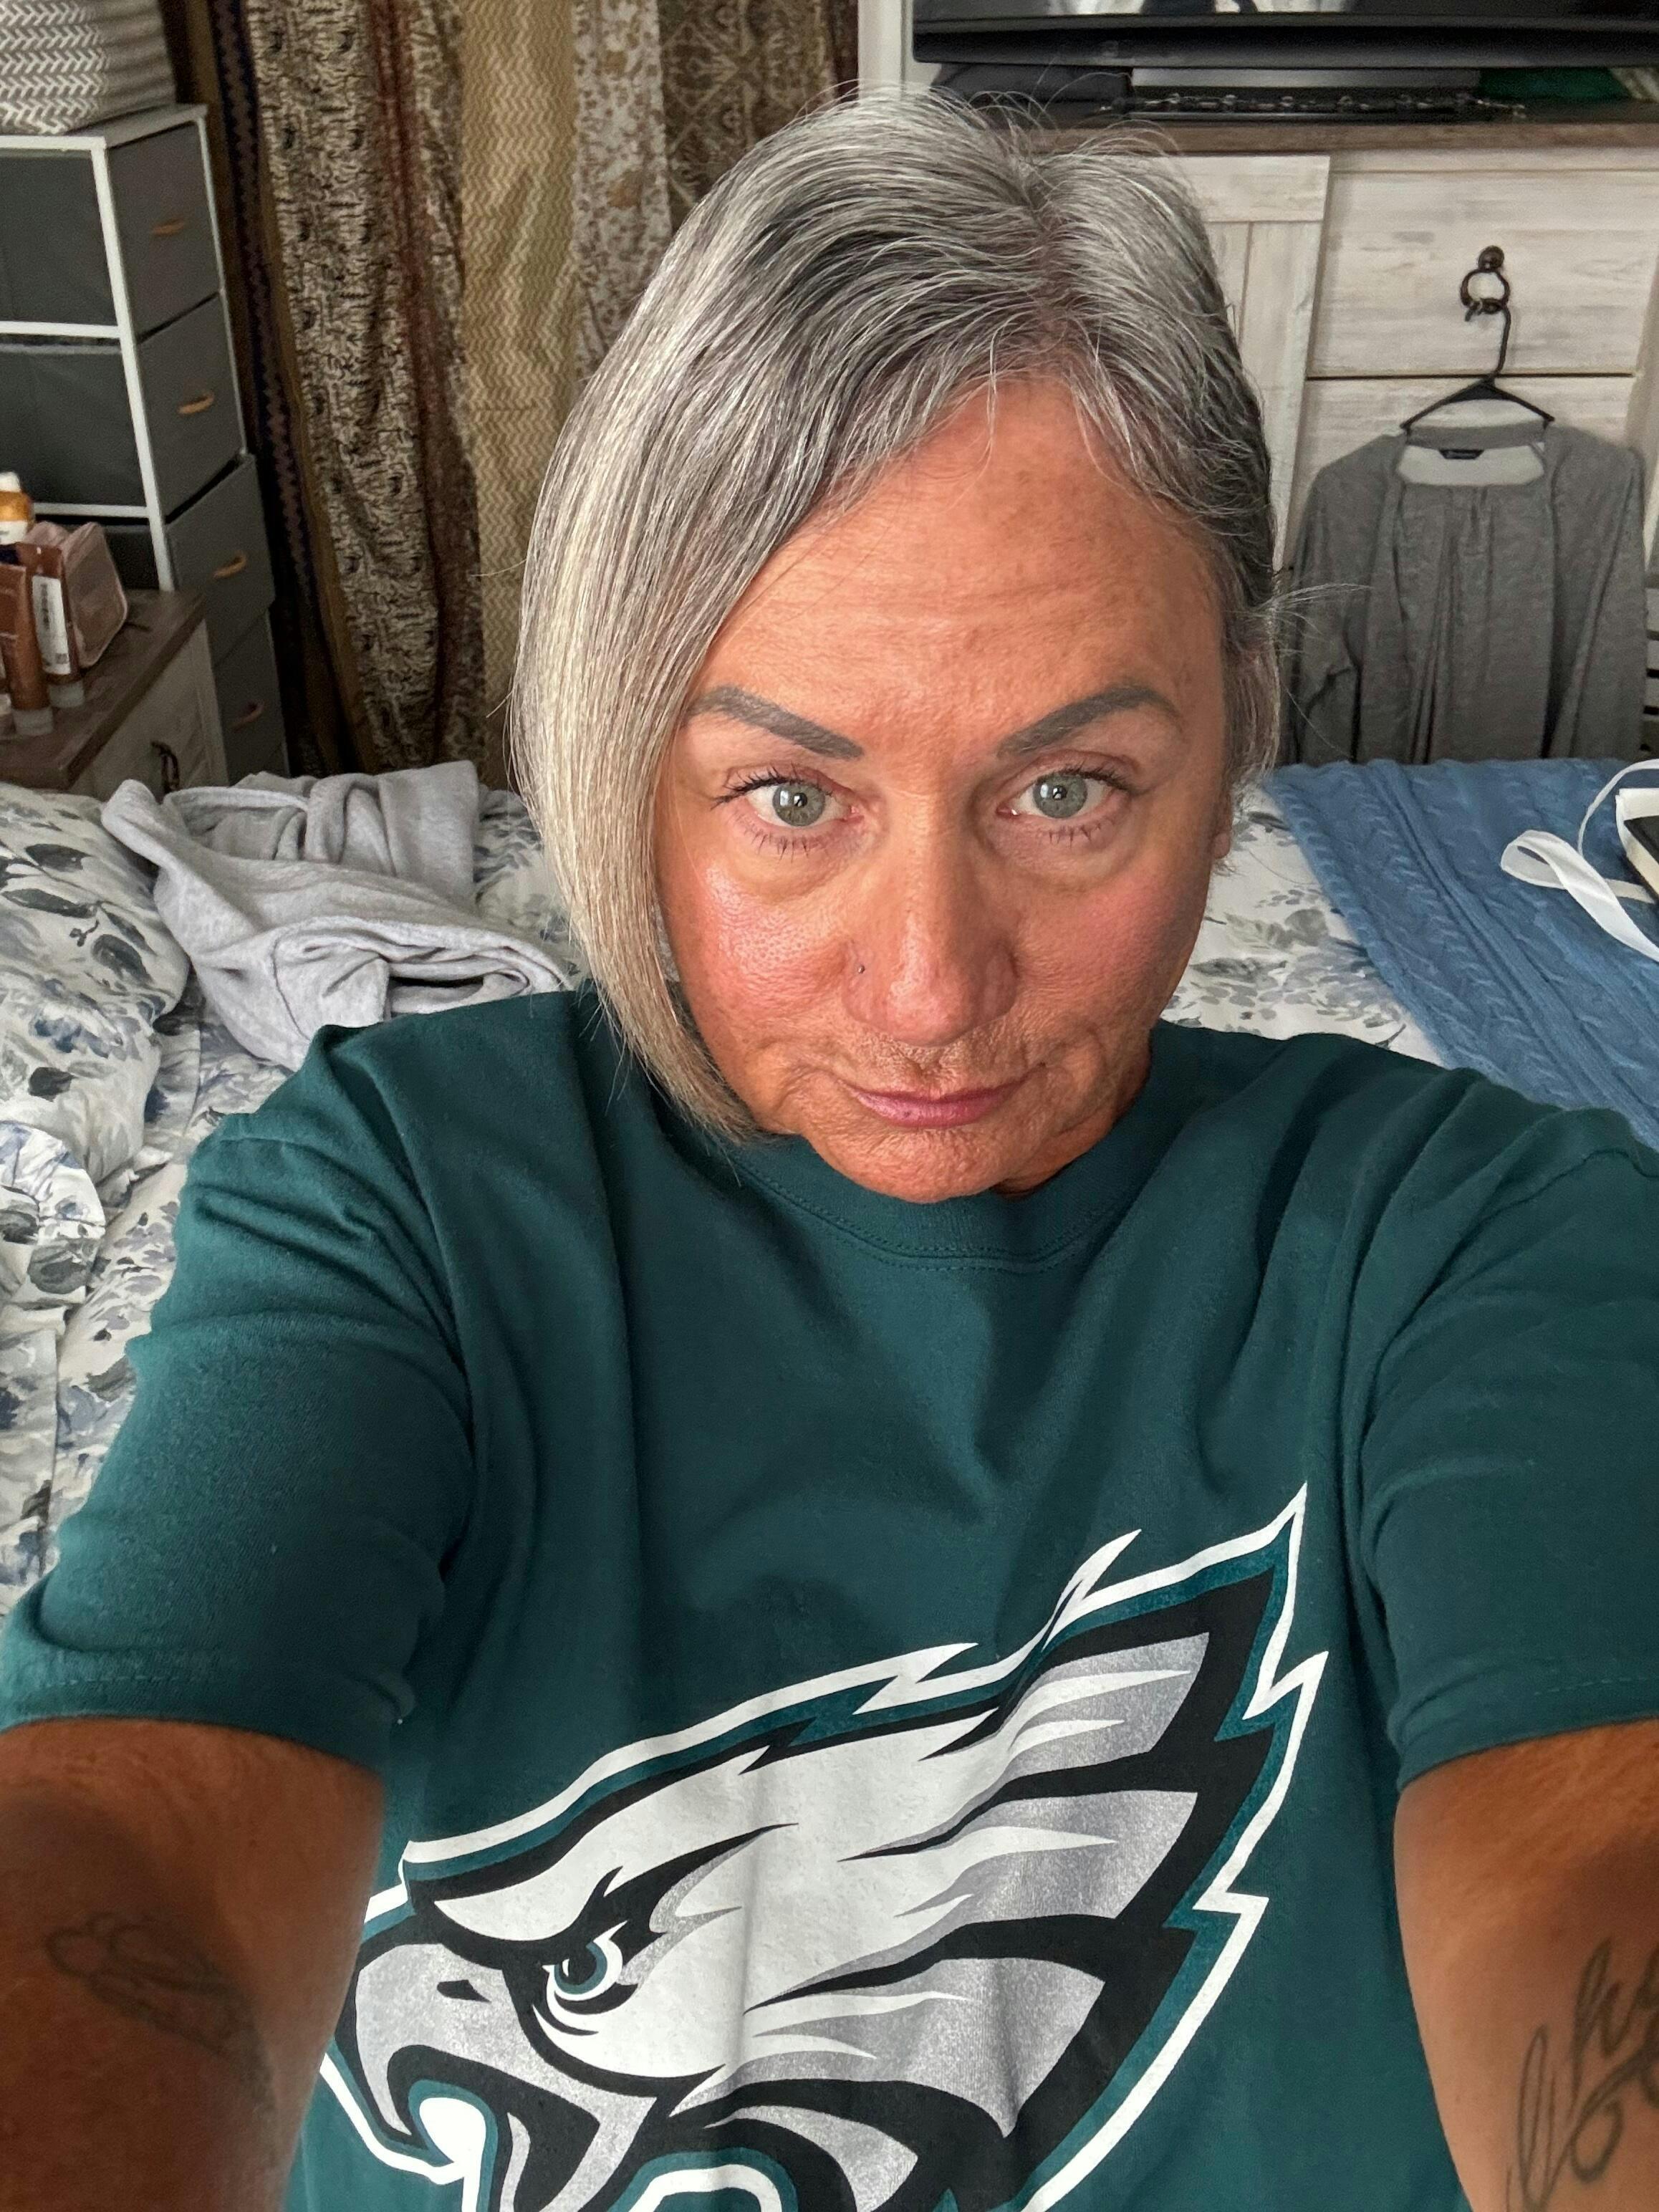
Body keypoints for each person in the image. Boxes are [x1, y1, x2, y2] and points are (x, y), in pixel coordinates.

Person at [1, 93, 1657, 2212]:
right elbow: (134, 1831)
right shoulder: (403, 1211)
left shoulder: (1474, 1244)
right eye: (791, 799)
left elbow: (1597, 1845)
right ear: (626, 763)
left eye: (1067, 791)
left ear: (1238, 733)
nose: (929, 989)